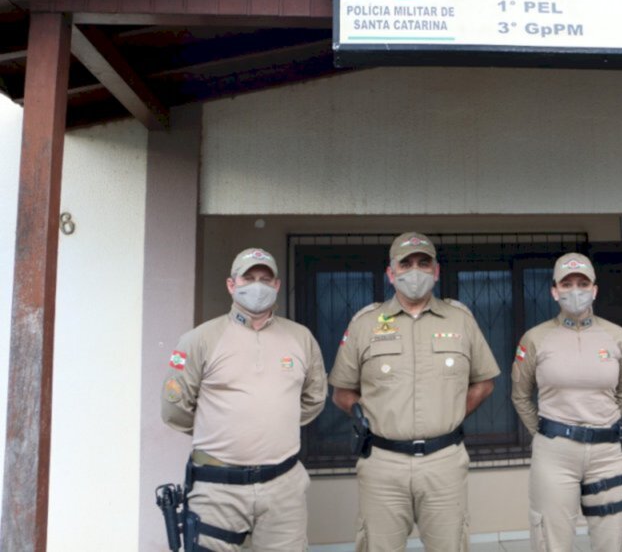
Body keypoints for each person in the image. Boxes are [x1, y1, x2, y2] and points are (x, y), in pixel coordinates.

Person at [329, 232, 501, 552]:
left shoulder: (460, 320)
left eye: (423, 263)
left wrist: (452, 411)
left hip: (444, 462)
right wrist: (363, 415)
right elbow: (341, 391)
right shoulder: (365, 324)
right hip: (382, 463)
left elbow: (484, 382)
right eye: (406, 264)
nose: (415, 271)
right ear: (391, 273)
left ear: (436, 271)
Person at [161, 247, 328, 551]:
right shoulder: (200, 339)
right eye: (248, 278)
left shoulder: (300, 337)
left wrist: (274, 425)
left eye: (265, 279)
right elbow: (175, 410)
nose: (257, 286)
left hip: (283, 487)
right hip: (217, 489)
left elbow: (314, 398)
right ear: (231, 284)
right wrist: (222, 431)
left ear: (277, 285)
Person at [511, 252, 622, 552]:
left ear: (595, 289)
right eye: (567, 284)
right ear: (554, 291)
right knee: (551, 541)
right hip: (555, 453)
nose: (575, 291)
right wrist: (544, 433)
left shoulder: (617, 336)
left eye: (582, 284)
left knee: (614, 539)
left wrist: (602, 420)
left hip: (606, 453)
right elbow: (520, 394)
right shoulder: (535, 338)